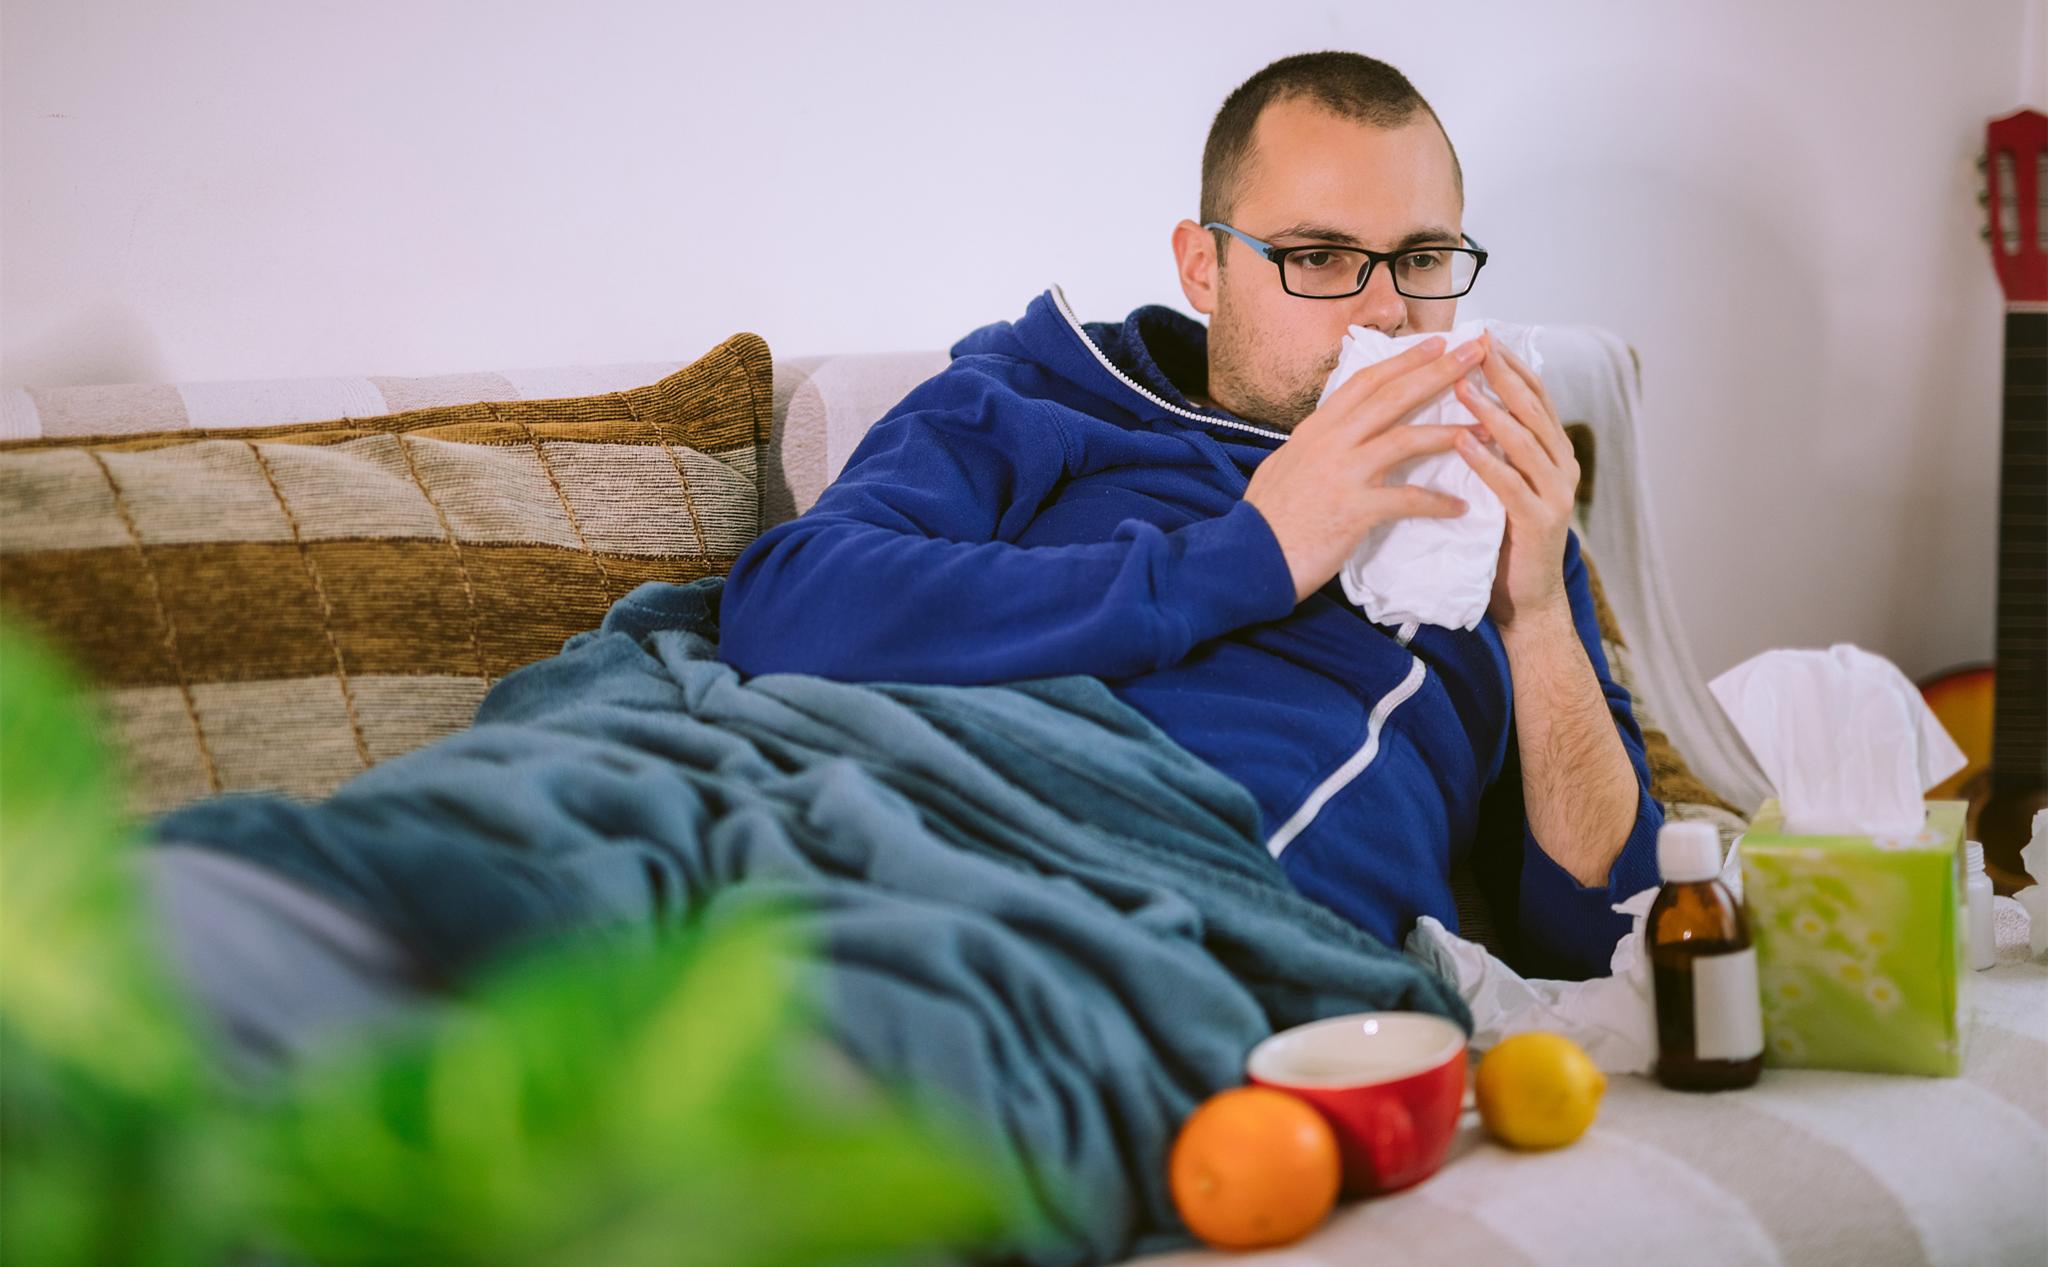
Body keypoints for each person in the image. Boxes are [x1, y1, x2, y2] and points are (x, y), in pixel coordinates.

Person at [716, 51, 1663, 980]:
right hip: (916, 816)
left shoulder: (1499, 522)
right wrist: (1249, 553)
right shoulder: (1035, 396)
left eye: (1421, 258)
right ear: (1203, 269)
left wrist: (1535, 620)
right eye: (1320, 256)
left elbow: (1609, 939)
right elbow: (787, 600)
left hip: (1190, 934)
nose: (1387, 314)